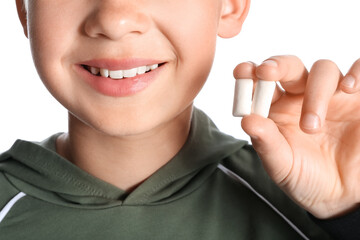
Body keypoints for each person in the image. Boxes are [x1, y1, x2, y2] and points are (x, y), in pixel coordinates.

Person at [0, 0, 359, 239]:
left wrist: (347, 213)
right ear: (24, 9)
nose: (114, 19)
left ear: (229, 6)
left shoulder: (307, 208)